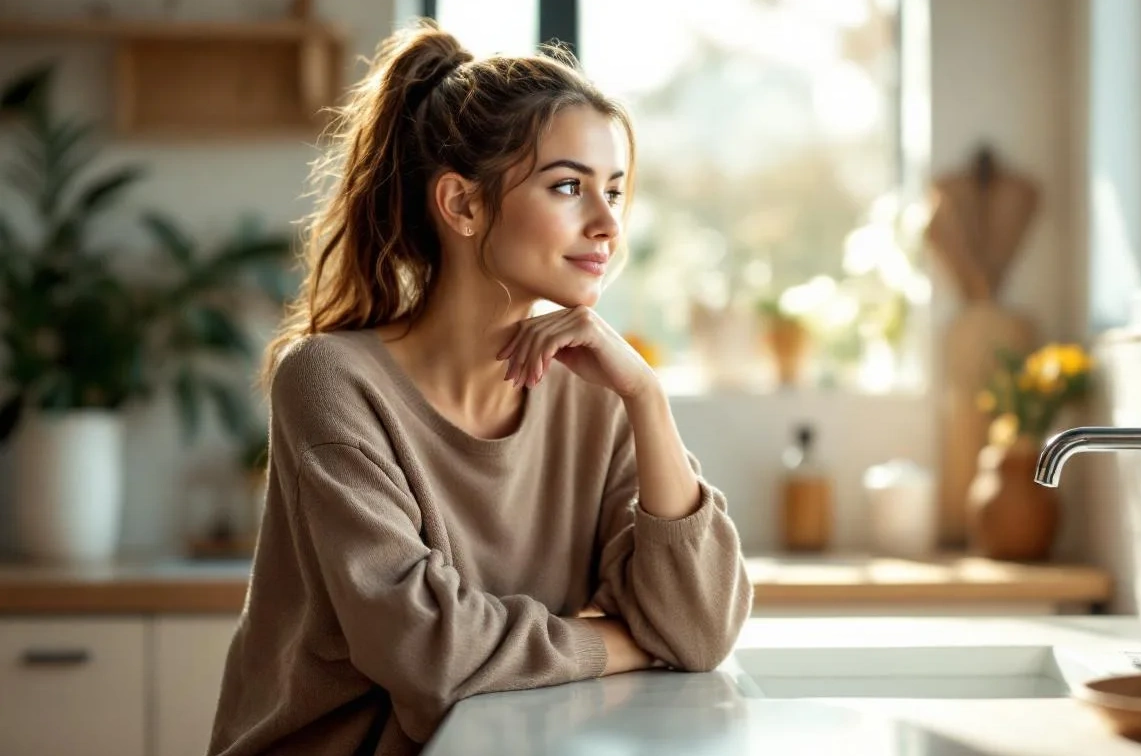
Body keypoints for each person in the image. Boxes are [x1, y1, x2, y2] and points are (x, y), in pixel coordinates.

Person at [208, 20, 752, 756]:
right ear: (462, 205)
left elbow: (699, 632)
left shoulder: (597, 392)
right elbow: (430, 653)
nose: (606, 225)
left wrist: (647, 401)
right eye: (568, 186)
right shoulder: (331, 380)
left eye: (614, 192)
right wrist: (615, 643)